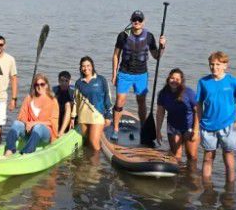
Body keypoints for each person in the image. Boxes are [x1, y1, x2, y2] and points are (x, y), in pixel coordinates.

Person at [111, 10, 166, 141]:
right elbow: (116, 55)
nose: (137, 22)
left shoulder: (149, 37)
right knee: (120, 101)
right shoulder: (123, 35)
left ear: (143, 22)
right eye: (134, 19)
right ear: (131, 20)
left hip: (141, 74)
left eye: (139, 20)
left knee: (141, 101)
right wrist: (114, 74)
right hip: (124, 73)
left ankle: (142, 127)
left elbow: (156, 56)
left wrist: (162, 46)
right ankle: (115, 129)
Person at [196, 51, 236, 183]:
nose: (214, 67)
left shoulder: (233, 82)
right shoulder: (203, 82)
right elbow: (198, 104)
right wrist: (200, 121)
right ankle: (206, 186)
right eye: (212, 64)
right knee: (208, 157)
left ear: (225, 65)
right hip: (207, 126)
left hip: (228, 125)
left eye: (218, 64)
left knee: (228, 157)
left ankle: (230, 187)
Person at [4, 74, 59, 156]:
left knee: (38, 127)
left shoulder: (53, 100)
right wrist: (26, 123)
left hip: (45, 133)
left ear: (46, 85)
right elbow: (21, 116)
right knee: (16, 123)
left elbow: (52, 121)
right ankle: (9, 150)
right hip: (29, 129)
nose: (39, 87)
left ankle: (27, 152)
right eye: (37, 84)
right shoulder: (29, 98)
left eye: (42, 84)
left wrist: (34, 123)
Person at [155, 68, 199, 163]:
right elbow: (160, 113)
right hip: (173, 127)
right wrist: (158, 131)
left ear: (181, 81)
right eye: (172, 78)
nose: (174, 81)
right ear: (168, 79)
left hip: (189, 127)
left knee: (191, 156)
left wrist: (195, 130)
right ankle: (176, 170)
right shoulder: (163, 93)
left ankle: (191, 172)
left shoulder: (189, 93)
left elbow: (198, 111)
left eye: (177, 79)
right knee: (176, 156)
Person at [73, 56, 112, 149]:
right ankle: (89, 159)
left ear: (92, 66)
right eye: (83, 66)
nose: (86, 68)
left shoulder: (101, 80)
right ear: (80, 68)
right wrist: (73, 117)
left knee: (94, 144)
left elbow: (107, 97)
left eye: (88, 65)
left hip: (97, 116)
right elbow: (76, 101)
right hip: (83, 117)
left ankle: (97, 158)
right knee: (87, 143)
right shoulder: (78, 83)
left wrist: (108, 116)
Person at [52, 71, 74, 135]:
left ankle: (61, 132)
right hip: (58, 115)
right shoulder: (54, 90)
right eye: (62, 81)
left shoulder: (73, 92)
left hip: (69, 116)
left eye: (66, 81)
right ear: (58, 81)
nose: (64, 83)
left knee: (68, 105)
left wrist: (73, 118)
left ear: (70, 81)